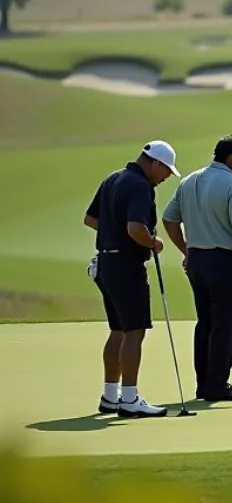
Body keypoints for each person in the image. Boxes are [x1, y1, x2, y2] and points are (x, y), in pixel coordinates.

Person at [162, 135, 232, 403]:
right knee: (226, 324)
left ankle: (205, 384)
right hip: (224, 261)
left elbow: (168, 219)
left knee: (206, 323)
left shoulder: (189, 180)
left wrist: (186, 250)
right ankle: (217, 384)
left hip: (197, 263)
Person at [83, 140, 181, 419]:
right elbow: (136, 228)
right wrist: (153, 243)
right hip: (126, 266)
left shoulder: (113, 179)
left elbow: (91, 219)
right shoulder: (140, 186)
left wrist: (115, 231)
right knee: (134, 332)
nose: (165, 178)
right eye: (165, 171)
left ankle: (110, 397)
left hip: (105, 263)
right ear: (154, 163)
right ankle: (130, 399)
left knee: (118, 330)